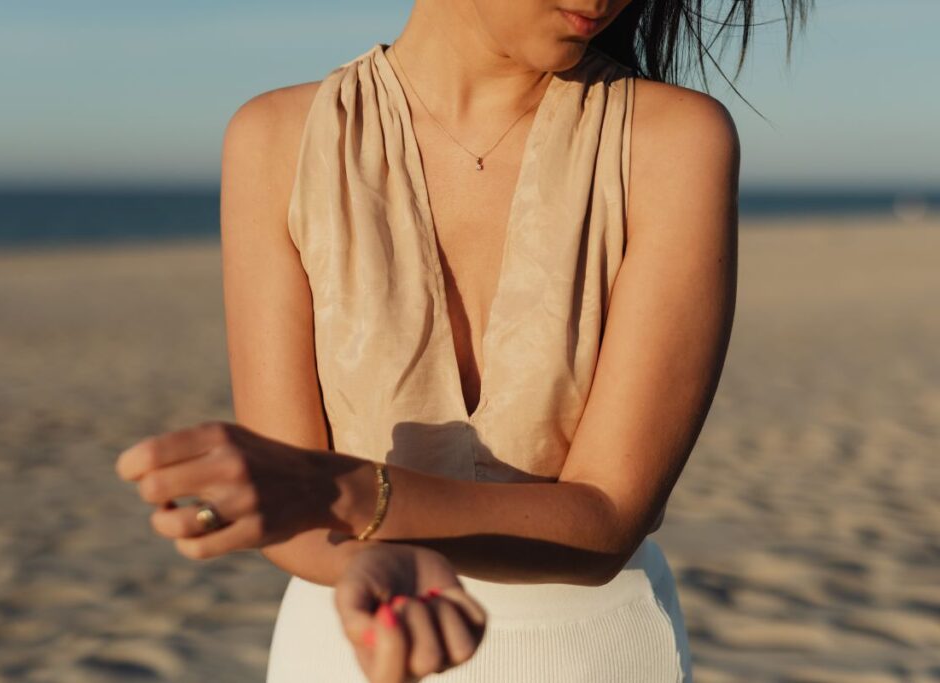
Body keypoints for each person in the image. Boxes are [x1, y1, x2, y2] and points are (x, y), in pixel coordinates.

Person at [115, 1, 811, 681]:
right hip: (354, 636)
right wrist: (358, 561)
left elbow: (607, 518)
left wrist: (351, 495)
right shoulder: (277, 138)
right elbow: (291, 508)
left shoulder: (673, 140)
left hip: (590, 654)